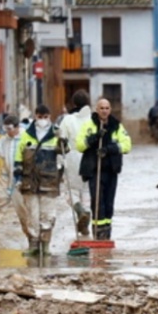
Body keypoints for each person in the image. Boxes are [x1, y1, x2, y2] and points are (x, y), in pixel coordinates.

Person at [75, 98, 132, 240]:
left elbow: (127, 145)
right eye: (101, 108)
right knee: (97, 201)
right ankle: (98, 232)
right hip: (95, 170)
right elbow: (80, 145)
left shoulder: (116, 126)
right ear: (97, 109)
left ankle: (107, 232)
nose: (104, 111)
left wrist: (109, 149)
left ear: (110, 109)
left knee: (109, 202)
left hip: (111, 170)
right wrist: (94, 138)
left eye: (107, 108)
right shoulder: (88, 125)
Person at [14, 105, 62, 256]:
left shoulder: (55, 134)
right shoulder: (27, 135)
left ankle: (46, 245)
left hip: (49, 181)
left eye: (45, 117)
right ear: (35, 116)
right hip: (30, 181)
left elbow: (64, 152)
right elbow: (18, 156)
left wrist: (62, 140)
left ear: (49, 116)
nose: (42, 120)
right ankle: (33, 245)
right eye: (40, 117)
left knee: (48, 214)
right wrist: (17, 177)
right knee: (32, 214)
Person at [0, 115, 30, 247]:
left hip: (22, 178)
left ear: (17, 127)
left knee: (23, 210)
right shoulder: (3, 141)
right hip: (6, 176)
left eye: (10, 129)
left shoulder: (27, 138)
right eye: (5, 129)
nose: (7, 131)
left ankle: (32, 237)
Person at [59, 90, 93, 237]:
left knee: (70, 191)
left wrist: (59, 163)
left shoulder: (67, 120)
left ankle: (80, 211)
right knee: (87, 192)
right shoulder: (94, 119)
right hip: (90, 159)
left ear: (73, 103)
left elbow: (60, 141)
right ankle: (85, 222)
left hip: (72, 158)